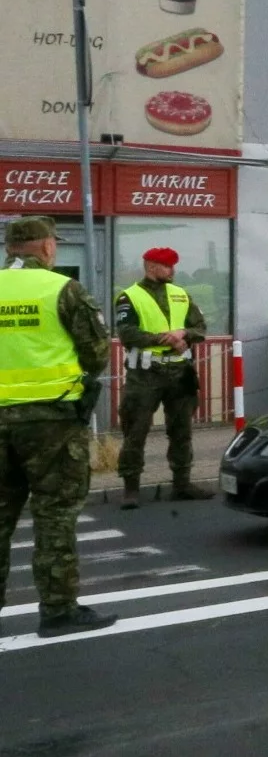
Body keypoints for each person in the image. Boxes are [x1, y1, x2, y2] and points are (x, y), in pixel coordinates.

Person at [0, 215, 116, 637]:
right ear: (46, 246)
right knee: (55, 515)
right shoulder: (61, 289)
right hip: (50, 421)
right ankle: (57, 610)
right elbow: (97, 352)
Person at [113, 245, 210, 508]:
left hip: (179, 372)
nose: (173, 270)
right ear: (152, 266)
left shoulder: (181, 294)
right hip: (145, 374)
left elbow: (200, 327)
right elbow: (127, 334)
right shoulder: (128, 297)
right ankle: (131, 489)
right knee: (135, 431)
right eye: (167, 265)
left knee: (182, 430)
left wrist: (184, 334)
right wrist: (167, 340)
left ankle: (182, 483)